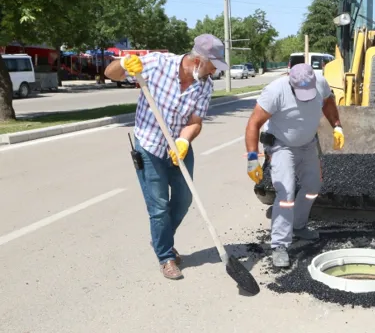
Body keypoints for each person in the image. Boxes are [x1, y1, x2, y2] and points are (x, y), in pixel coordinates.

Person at [104, 34, 228, 280]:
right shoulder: (158, 64)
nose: (214, 71)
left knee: (183, 199)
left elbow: (195, 121)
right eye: (212, 65)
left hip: (178, 146)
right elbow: (111, 73)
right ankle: (166, 256)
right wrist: (125, 63)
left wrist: (184, 140)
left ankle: (160, 238)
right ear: (197, 61)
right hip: (149, 147)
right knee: (159, 206)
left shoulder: (205, 85)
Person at [245, 63, 344, 268]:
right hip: (281, 146)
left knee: (312, 187)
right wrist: (252, 157)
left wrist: (337, 126)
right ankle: (279, 244)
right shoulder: (275, 91)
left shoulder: (321, 82)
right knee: (286, 193)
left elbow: (327, 102)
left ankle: (298, 225)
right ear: (291, 83)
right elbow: (253, 123)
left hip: (308, 144)